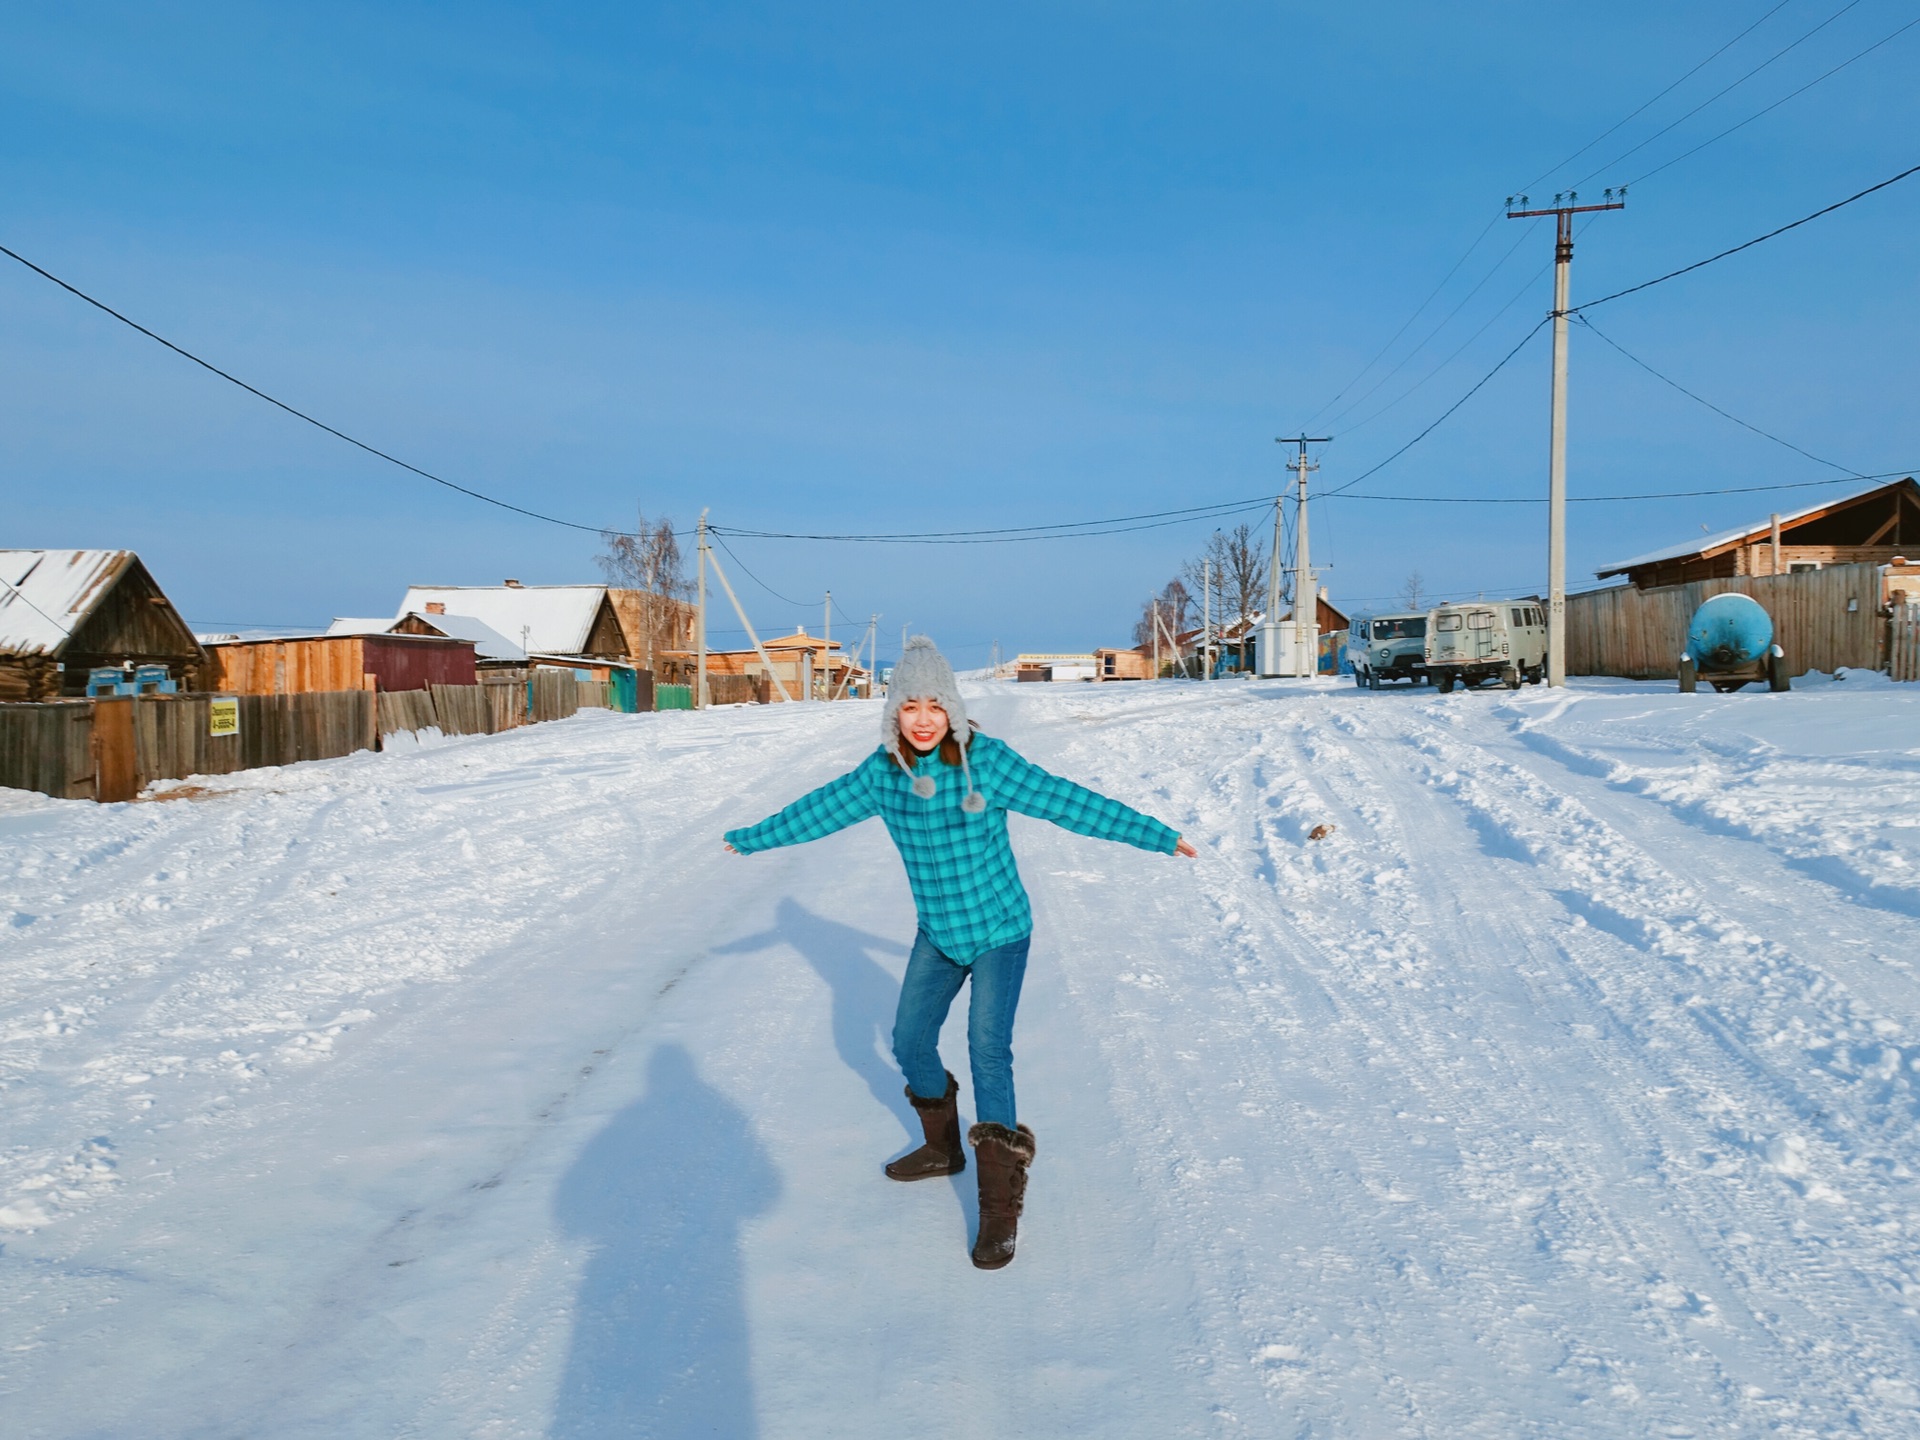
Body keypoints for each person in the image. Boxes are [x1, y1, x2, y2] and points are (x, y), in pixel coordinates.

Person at [724, 636, 1196, 1270]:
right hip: (940, 934)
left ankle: (999, 1206)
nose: (922, 719)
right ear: (894, 713)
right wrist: (753, 840)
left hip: (1001, 930)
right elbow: (818, 811)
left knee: (985, 1048)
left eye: (934, 706)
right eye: (909, 706)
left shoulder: (989, 763)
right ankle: (943, 1148)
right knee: (910, 1040)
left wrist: (1158, 836)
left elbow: (1072, 803)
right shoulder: (881, 776)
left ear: (952, 708)